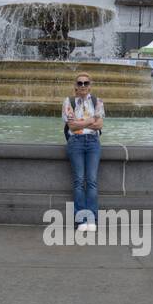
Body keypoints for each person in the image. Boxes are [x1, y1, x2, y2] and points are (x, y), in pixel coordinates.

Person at [62, 71, 103, 231]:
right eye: (80, 83)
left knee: (92, 181)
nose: (83, 86)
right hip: (76, 143)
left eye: (86, 83)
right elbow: (71, 126)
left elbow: (100, 125)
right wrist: (90, 120)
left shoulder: (97, 101)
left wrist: (81, 123)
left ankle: (91, 219)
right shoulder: (69, 101)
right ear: (75, 86)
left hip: (93, 142)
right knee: (79, 181)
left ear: (90, 85)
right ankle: (80, 220)